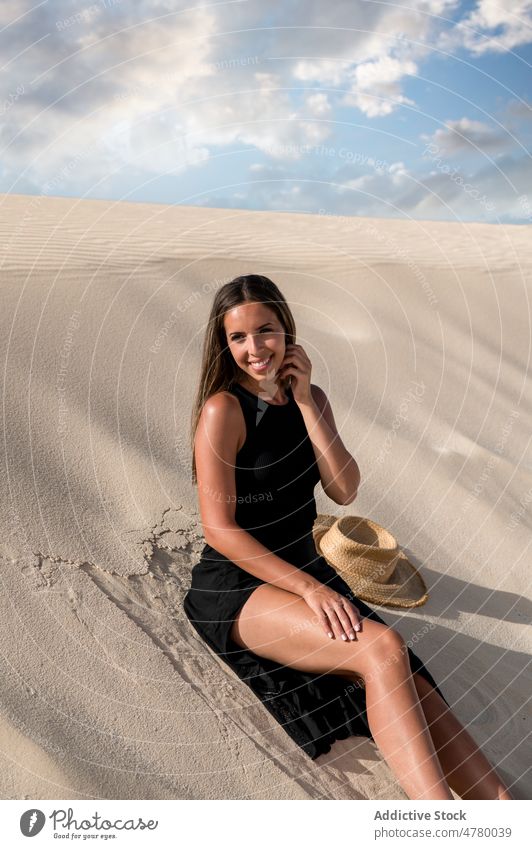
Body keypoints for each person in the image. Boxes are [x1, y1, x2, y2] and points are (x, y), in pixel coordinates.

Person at [183, 274, 513, 800]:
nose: (254, 348)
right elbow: (219, 531)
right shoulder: (224, 410)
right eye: (238, 338)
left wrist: (308, 404)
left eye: (264, 330)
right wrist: (312, 591)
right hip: (238, 584)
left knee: (458, 745)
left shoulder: (312, 398)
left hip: (308, 568)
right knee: (382, 648)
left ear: (287, 331)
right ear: (224, 346)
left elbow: (343, 488)